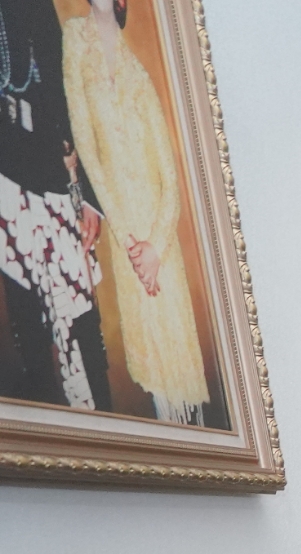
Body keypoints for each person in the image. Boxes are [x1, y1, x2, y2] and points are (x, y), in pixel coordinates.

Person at [61, 0, 207, 423]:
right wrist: (130, 242)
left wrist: (157, 248)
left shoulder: (138, 74)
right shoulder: (74, 38)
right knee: (157, 378)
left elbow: (170, 178)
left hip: (160, 245)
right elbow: (85, 143)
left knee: (183, 376)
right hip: (128, 239)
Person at [0, 0, 110, 410]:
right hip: (5, 182)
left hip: (52, 176)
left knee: (81, 321)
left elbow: (66, 96)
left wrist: (89, 199)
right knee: (30, 332)